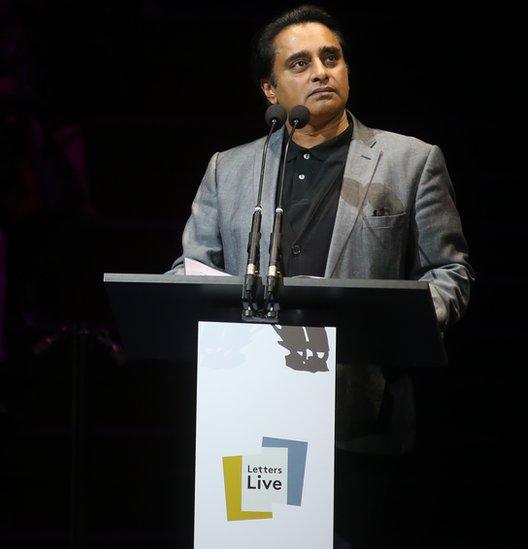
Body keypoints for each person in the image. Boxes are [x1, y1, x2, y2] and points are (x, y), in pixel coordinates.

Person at [168, 5, 472, 546]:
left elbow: (448, 271)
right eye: (300, 63)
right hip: (252, 412)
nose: (321, 71)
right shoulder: (230, 169)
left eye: (331, 57)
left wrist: (411, 319)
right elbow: (193, 268)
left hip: (359, 413)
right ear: (269, 89)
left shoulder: (411, 161)